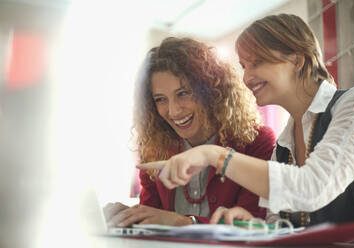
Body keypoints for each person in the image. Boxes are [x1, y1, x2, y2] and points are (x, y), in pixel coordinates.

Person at [137, 14, 354, 228]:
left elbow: (312, 187)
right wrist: (252, 224)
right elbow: (279, 224)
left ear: (298, 61)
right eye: (244, 66)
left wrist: (212, 155)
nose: (247, 77)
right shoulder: (283, 145)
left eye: (257, 63)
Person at [104, 37, 276, 227]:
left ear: (210, 89)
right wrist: (130, 217)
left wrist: (185, 222)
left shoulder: (256, 141)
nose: (173, 111)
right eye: (161, 99)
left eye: (183, 93)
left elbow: (254, 223)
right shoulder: (154, 149)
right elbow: (152, 223)